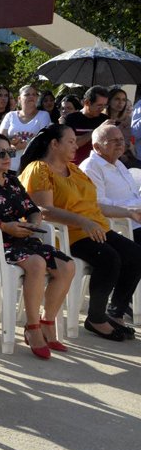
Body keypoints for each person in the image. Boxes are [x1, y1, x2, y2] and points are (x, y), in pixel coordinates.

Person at [19, 124, 140, 341]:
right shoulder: (39, 169)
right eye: (71, 141)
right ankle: (96, 318)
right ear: (54, 144)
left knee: (135, 255)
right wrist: (82, 221)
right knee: (109, 259)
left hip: (94, 228)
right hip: (67, 234)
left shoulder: (73, 170)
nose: (76, 146)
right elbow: (42, 210)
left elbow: (96, 205)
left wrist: (128, 212)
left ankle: (116, 313)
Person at [0, 133, 75, 358]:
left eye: (10, 153)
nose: (7, 157)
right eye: (0, 153)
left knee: (67, 266)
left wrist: (32, 225)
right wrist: (3, 226)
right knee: (36, 263)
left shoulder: (12, 180)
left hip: (20, 239)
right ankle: (32, 328)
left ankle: (47, 322)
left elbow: (32, 209)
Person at [79, 123, 141, 320]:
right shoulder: (91, 166)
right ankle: (119, 308)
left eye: (121, 140)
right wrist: (130, 211)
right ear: (97, 146)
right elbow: (97, 204)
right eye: (113, 141)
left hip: (134, 219)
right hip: (120, 224)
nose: (120, 144)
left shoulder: (119, 163)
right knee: (133, 255)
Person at [0, 85, 51, 172]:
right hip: (10, 166)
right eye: (27, 94)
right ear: (19, 98)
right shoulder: (10, 115)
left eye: (34, 94)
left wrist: (24, 145)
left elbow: (44, 140)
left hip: (33, 167)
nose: (31, 97)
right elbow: (0, 138)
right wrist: (11, 143)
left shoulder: (43, 115)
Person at [63, 85, 109, 164]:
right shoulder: (71, 119)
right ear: (87, 102)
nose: (102, 109)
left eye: (104, 105)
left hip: (99, 168)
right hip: (76, 167)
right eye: (99, 105)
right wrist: (98, 130)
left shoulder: (105, 120)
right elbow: (74, 143)